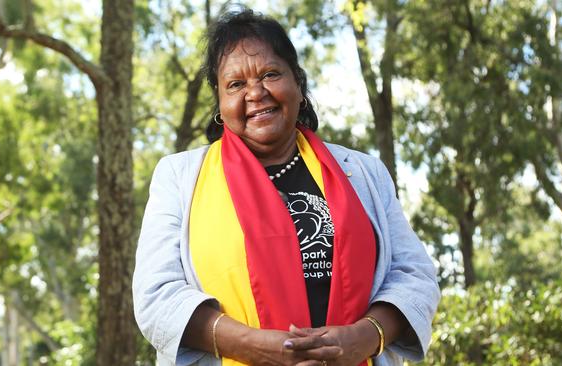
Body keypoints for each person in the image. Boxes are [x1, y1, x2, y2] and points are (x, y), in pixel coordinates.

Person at [133, 8, 440, 366]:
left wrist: (366, 336)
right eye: (235, 84)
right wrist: (256, 347)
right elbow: (157, 296)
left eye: (270, 74)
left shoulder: (364, 172)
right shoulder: (179, 176)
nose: (256, 92)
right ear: (219, 101)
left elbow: (414, 275)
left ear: (298, 82)